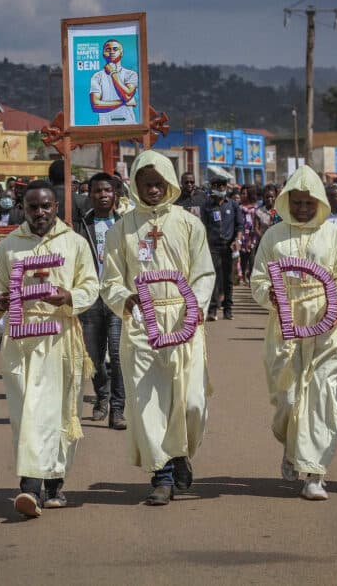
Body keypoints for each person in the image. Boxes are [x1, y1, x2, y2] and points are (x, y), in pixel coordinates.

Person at [100, 150, 215, 506]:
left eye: (159, 183)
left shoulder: (189, 223)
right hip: (141, 325)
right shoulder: (123, 228)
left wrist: (194, 307)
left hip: (183, 320)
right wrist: (125, 298)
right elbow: (111, 280)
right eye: (145, 184)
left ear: (170, 183)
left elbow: (204, 273)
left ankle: (181, 453)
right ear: (135, 185)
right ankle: (161, 474)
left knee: (191, 400)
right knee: (148, 402)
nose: (152, 190)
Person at [0, 180, 98, 518]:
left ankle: (55, 485)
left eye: (46, 206)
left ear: (55, 207)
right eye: (32, 207)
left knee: (62, 411)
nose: (39, 213)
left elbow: (91, 286)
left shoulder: (74, 243)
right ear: (22, 208)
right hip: (22, 342)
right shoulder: (9, 247)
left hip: (61, 337)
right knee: (27, 412)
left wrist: (68, 297)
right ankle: (29, 486)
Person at [250, 165, 337, 500]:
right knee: (290, 397)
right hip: (285, 323)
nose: (302, 208)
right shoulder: (273, 236)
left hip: (327, 327)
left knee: (323, 395)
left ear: (320, 203)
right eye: (296, 202)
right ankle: (291, 445)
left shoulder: (334, 235)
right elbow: (258, 278)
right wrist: (268, 292)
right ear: (286, 202)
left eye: (308, 202)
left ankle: (314, 473)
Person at [74, 173, 126, 429]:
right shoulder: (80, 226)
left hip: (117, 298)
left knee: (117, 354)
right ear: (90, 194)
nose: (103, 195)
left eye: (107, 190)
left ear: (115, 193)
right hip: (91, 299)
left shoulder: (125, 225)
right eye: (97, 191)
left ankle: (117, 408)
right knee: (94, 357)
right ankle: (101, 398)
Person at [202, 176, 243, 321]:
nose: (220, 188)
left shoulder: (232, 205)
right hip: (212, 247)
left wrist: (237, 240)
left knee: (228, 279)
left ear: (226, 187)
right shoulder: (206, 206)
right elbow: (203, 226)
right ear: (212, 187)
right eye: (217, 185)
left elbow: (240, 226)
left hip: (228, 247)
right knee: (213, 278)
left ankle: (228, 309)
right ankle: (212, 310)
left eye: (223, 185)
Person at [89, 39, 138, 125]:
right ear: (103, 54)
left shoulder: (130, 74)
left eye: (115, 49)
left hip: (128, 125)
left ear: (121, 53)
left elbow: (126, 95)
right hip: (105, 126)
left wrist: (113, 73)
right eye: (108, 49)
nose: (111, 52)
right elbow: (96, 106)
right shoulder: (97, 76)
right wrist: (124, 102)